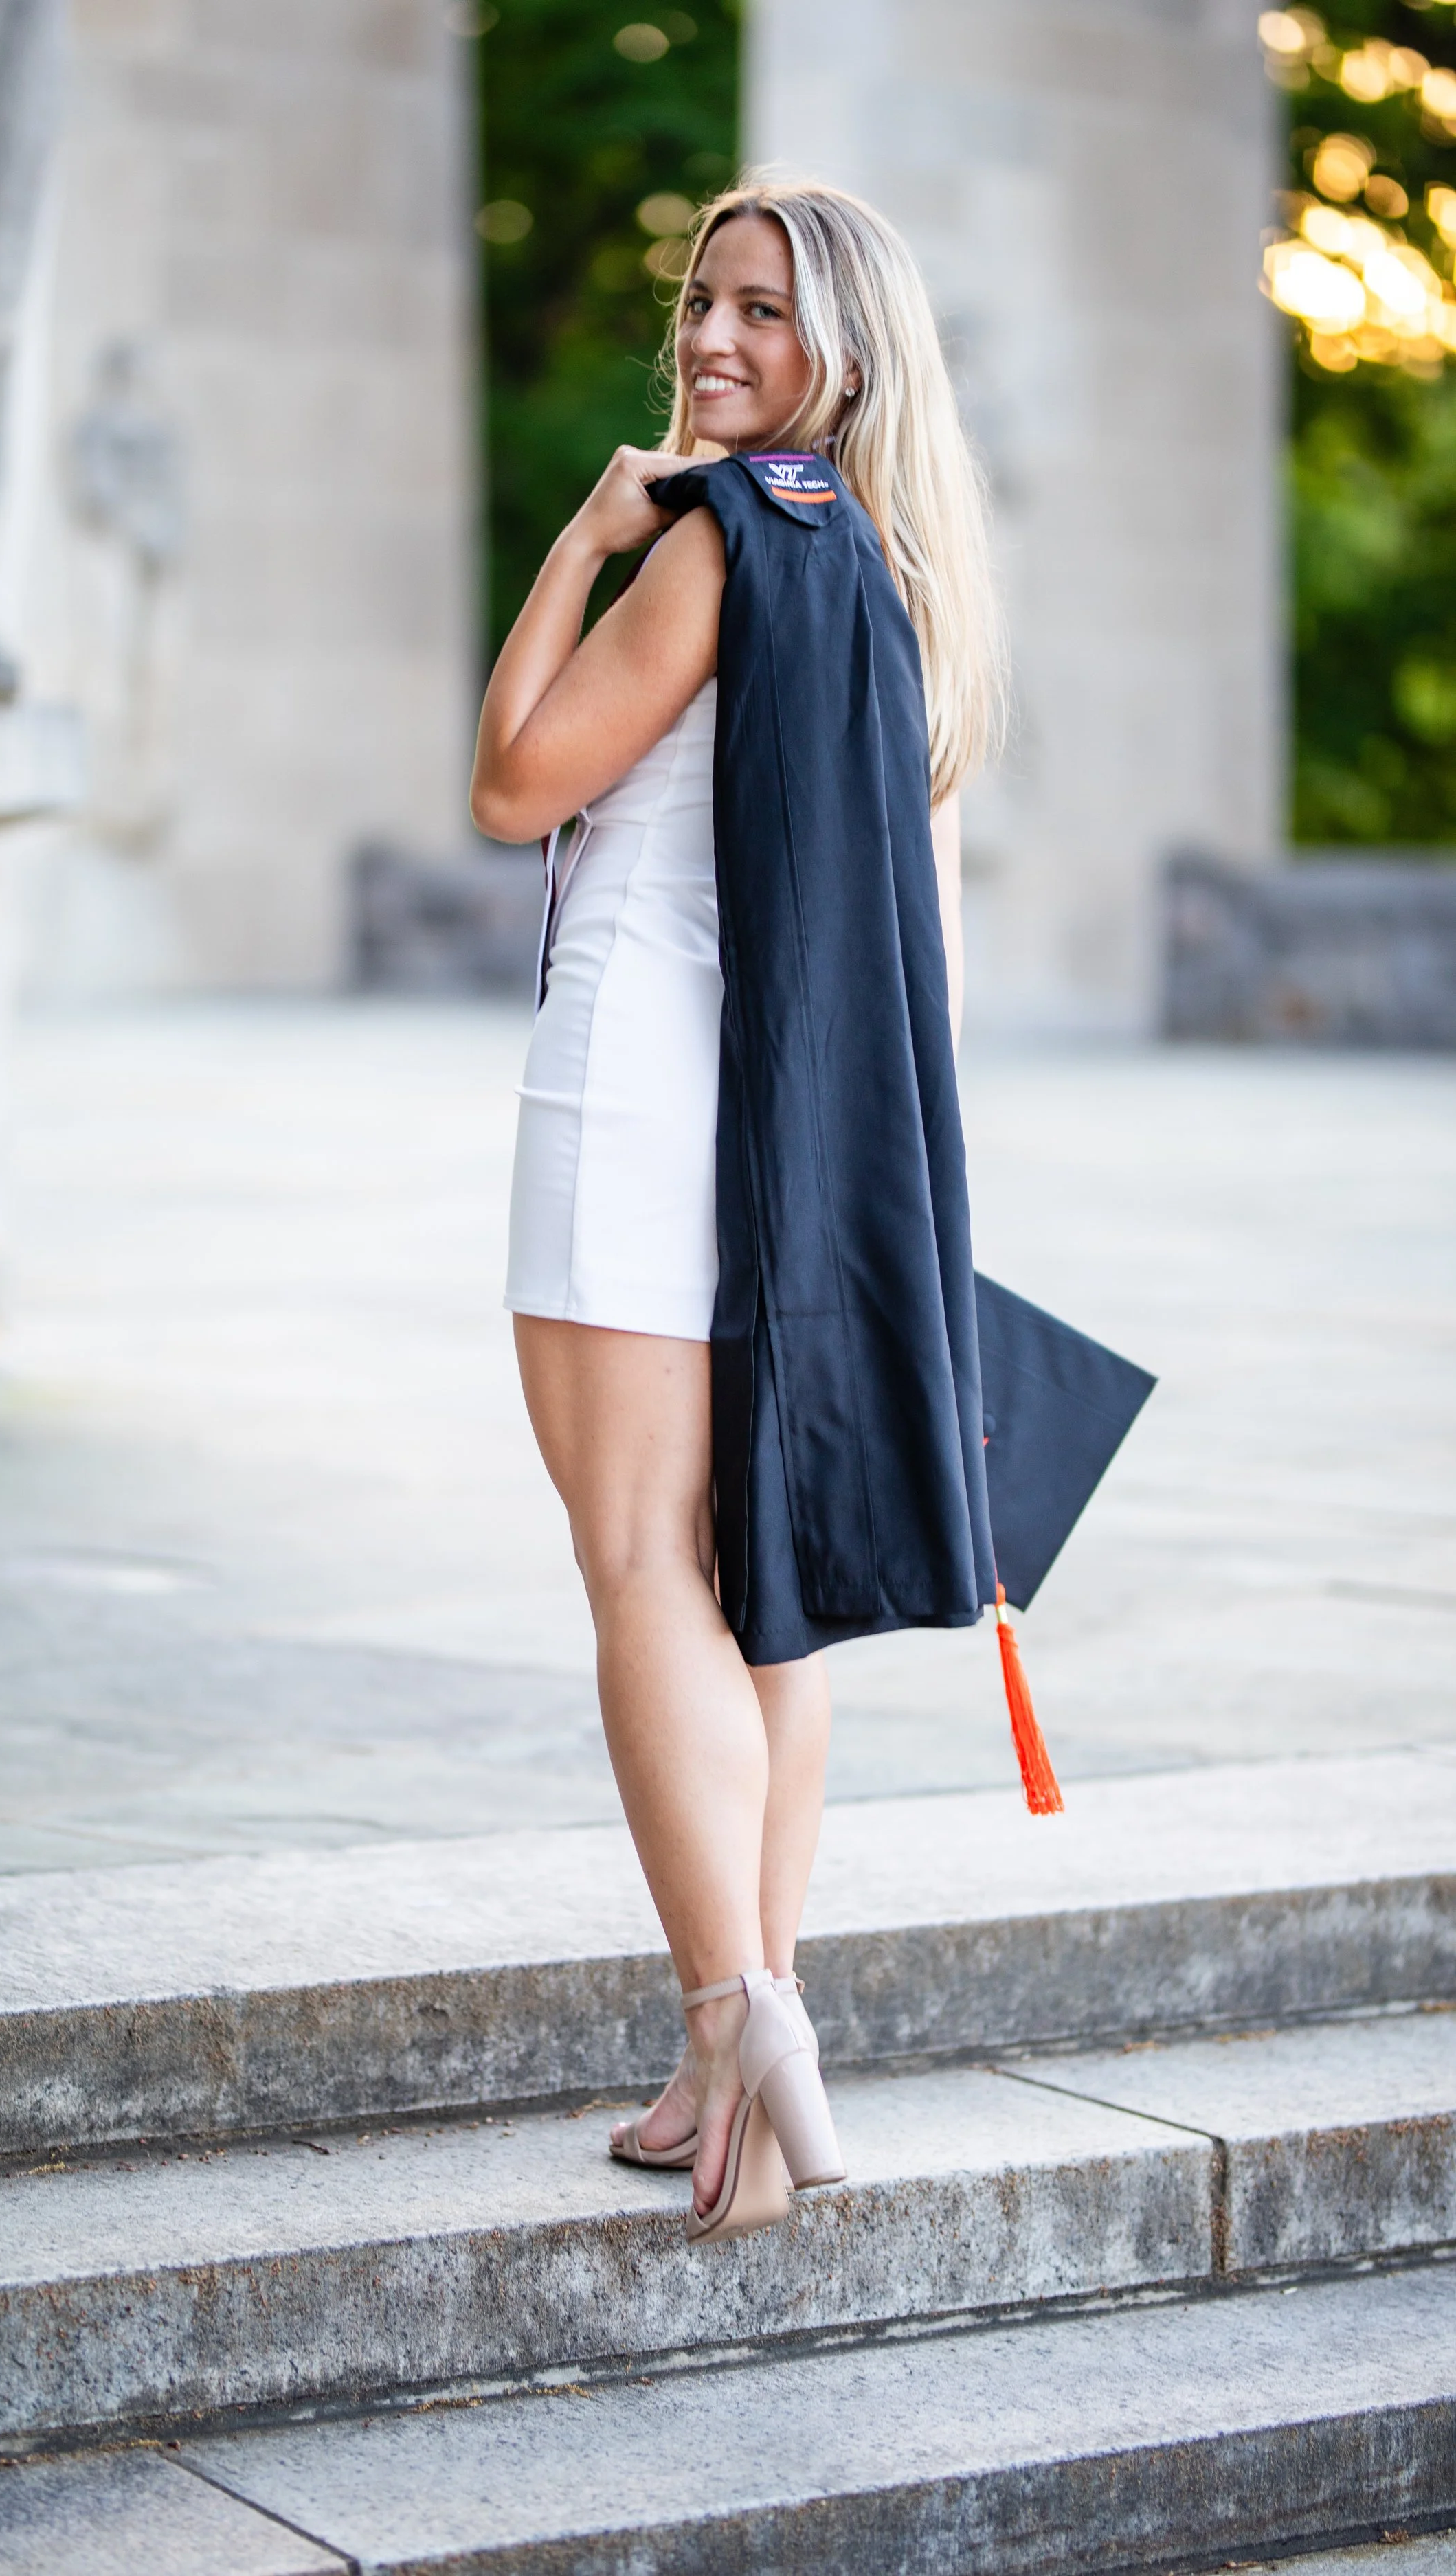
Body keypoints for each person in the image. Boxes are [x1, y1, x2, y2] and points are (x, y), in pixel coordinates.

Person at [470, 175, 1003, 2244]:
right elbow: (918, 959)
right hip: (782, 1126)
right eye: (700, 300)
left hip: (628, 1084)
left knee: (633, 1562)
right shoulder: (887, 572)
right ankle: (735, 2057)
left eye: (759, 312)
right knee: (753, 1573)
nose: (711, 339)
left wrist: (579, 542)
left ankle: (741, 2004)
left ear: (843, 352)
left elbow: (516, 781)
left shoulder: (704, 548)